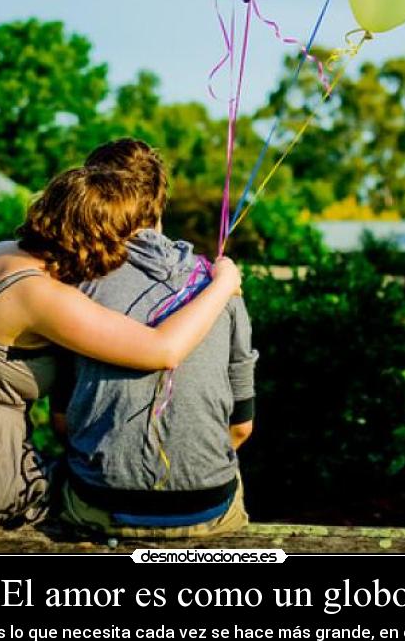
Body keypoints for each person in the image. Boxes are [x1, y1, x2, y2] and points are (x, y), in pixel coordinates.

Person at [0, 165, 241, 536]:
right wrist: (223, 284)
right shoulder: (37, 295)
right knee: (88, 497)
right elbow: (162, 349)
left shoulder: (2, 254)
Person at [57, 139, 257, 539]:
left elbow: (62, 422)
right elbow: (241, 429)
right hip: (208, 509)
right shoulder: (222, 287)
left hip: (101, 507)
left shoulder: (77, 287)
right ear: (160, 201)